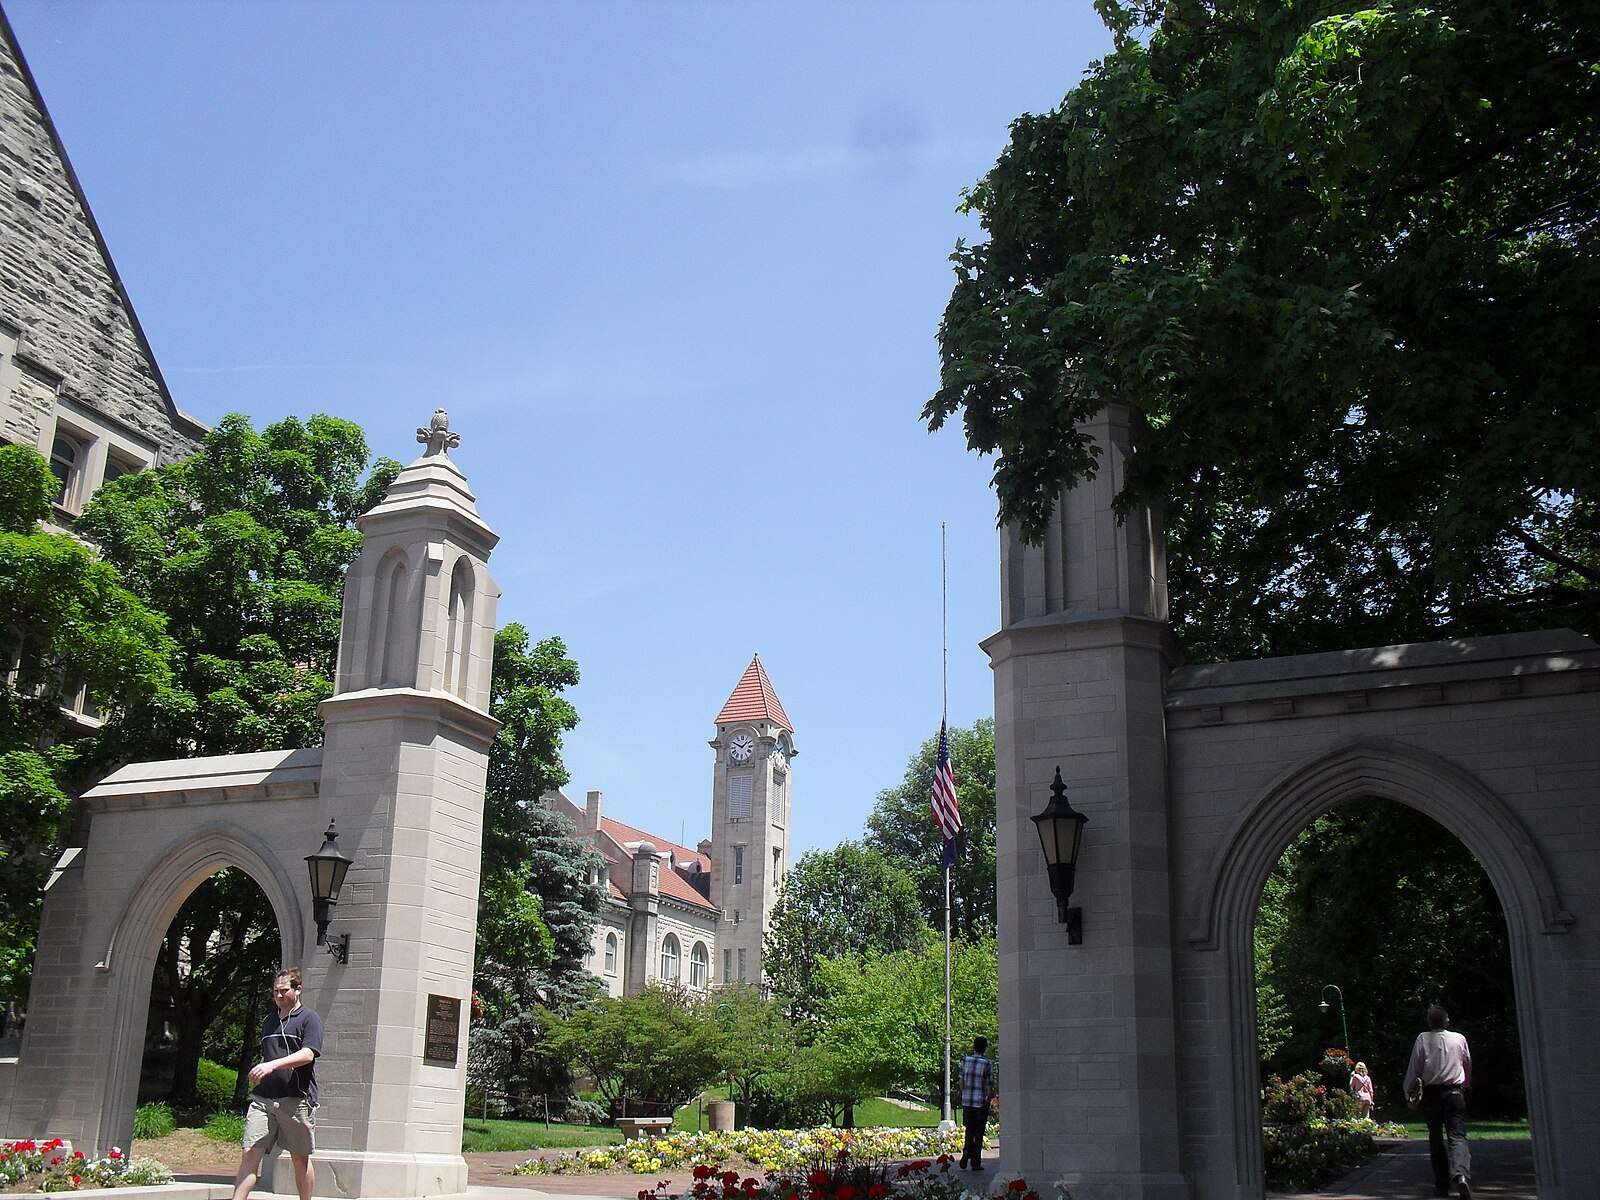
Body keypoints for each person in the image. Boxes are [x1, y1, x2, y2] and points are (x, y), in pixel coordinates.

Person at [233, 968, 324, 1200]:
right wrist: (263, 1067)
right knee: (249, 1154)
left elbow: (307, 1055)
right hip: (263, 1098)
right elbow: (270, 1054)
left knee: (299, 1158)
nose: (279, 996)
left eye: (284, 991)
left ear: (298, 989)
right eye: (275, 992)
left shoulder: (309, 1018)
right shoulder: (269, 1020)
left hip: (296, 1099)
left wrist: (272, 1065)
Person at [1403, 1004, 1472, 1200]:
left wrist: (1408, 1093)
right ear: (1447, 1020)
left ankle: (1442, 1185)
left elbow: (1414, 1069)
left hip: (1432, 1094)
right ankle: (1461, 1175)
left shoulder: (1423, 1039)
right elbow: (1466, 1063)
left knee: (1436, 1138)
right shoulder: (1459, 1038)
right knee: (1457, 1136)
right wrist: (1465, 1084)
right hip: (1455, 1093)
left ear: (1429, 1022)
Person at [957, 1035, 994, 1171]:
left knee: (969, 1129)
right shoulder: (987, 1063)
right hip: (980, 1101)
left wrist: (964, 1093)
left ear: (974, 1046)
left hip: (967, 1100)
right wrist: (988, 1098)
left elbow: (961, 1080)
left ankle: (966, 1151)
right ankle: (975, 1162)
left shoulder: (965, 1060)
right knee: (979, 1132)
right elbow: (988, 1085)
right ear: (985, 1048)